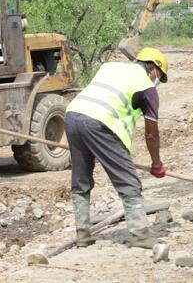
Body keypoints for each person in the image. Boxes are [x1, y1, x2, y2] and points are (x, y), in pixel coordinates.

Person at [64, 47, 168, 249]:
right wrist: (156, 163)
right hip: (101, 123)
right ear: (154, 68)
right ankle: (141, 234)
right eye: (160, 76)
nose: (158, 81)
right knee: (128, 180)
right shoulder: (147, 87)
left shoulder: (110, 67)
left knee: (81, 178)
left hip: (73, 115)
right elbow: (151, 134)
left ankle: (83, 235)